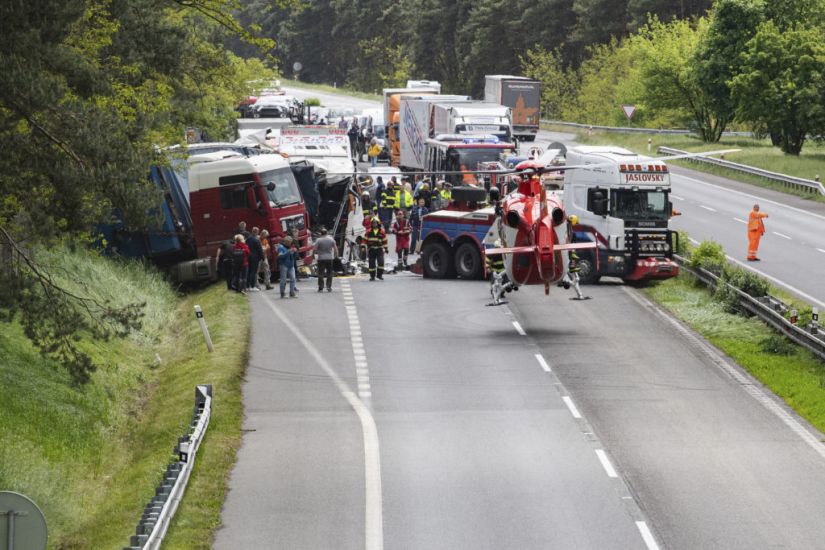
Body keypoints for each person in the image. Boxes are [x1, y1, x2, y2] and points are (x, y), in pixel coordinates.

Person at [314, 227, 338, 292]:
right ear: (327, 233)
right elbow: (335, 249)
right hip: (329, 258)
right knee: (329, 273)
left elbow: (314, 249)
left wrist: (314, 255)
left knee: (320, 273)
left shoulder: (318, 240)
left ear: (321, 234)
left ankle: (321, 287)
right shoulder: (331, 240)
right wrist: (336, 256)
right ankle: (329, 287)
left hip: (321, 258)